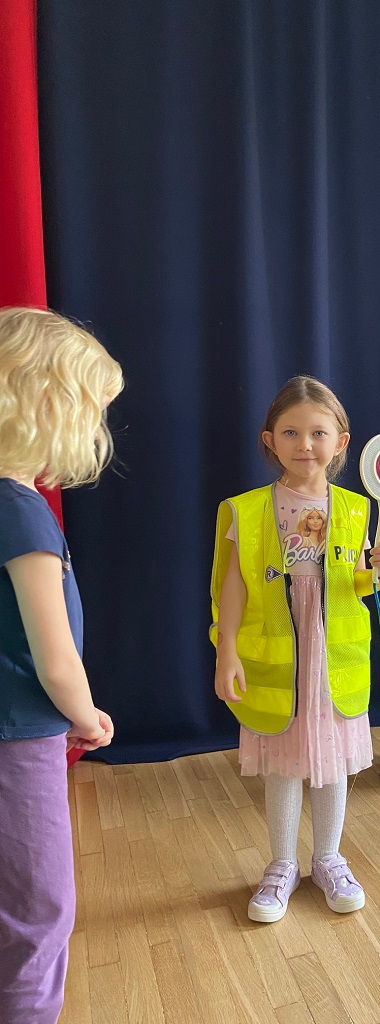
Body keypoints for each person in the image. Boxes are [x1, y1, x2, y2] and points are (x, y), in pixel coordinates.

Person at [211, 376, 380, 922]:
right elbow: (233, 585)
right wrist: (227, 652)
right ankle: (282, 864)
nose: (304, 444)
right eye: (290, 432)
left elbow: (356, 585)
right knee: (283, 759)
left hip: (331, 656)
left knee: (332, 758)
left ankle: (328, 858)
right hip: (278, 659)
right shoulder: (248, 510)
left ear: (341, 442)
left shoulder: (357, 510)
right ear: (269, 439)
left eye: (318, 432)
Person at [0, 307, 122, 1023]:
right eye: (91, 411)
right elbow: (55, 659)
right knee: (39, 913)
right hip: (20, 739)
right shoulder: (21, 513)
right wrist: (86, 716)